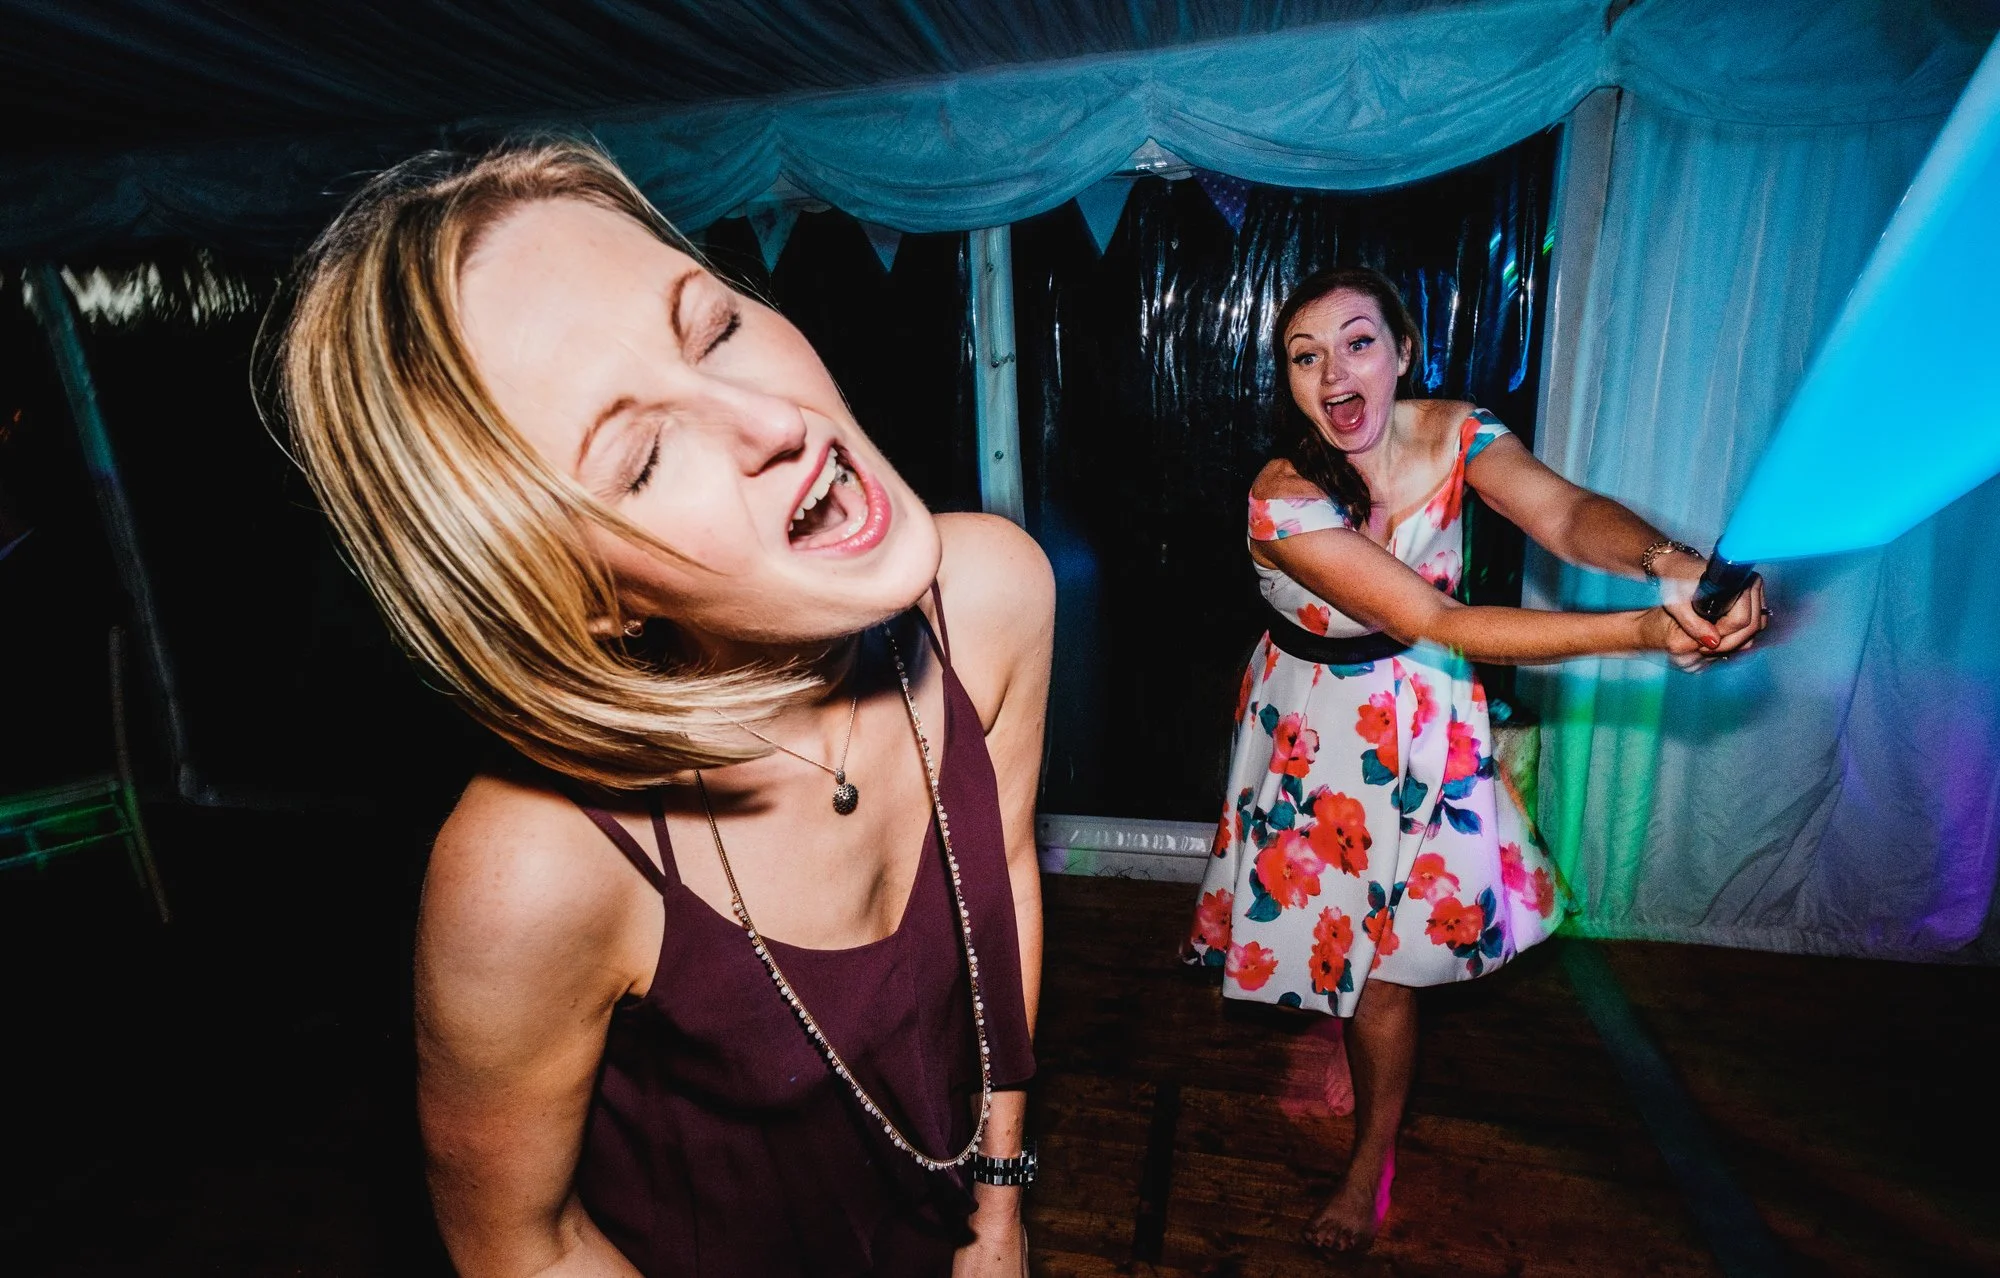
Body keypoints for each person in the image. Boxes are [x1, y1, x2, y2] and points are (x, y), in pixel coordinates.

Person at [265, 140, 1053, 1277]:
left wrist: (999, 1209)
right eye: (639, 460)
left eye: (714, 327)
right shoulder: (530, 867)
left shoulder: (992, 596)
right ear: (576, 596)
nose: (771, 418)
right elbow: (521, 1247)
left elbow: (1004, 891)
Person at [1182, 266, 1766, 1253]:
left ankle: (1371, 1153)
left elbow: (1566, 515)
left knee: (1387, 970)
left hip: (1423, 713)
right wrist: (1641, 633)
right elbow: (1438, 617)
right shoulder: (1282, 500)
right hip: (1319, 724)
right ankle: (1354, 1039)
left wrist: (1673, 564)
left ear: (1403, 352)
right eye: (1305, 356)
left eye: (1357, 342)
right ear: (1287, 382)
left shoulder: (1458, 433)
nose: (1334, 374)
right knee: (1345, 941)